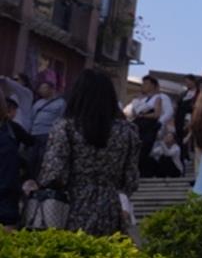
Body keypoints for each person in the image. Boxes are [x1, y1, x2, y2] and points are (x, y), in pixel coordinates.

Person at [26, 69, 139, 236]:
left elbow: (54, 174)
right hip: (110, 209)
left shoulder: (65, 127)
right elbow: (131, 181)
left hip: (70, 206)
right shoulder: (127, 131)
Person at [130, 75, 178, 178]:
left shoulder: (161, 97)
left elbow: (168, 112)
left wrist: (160, 123)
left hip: (153, 127)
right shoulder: (143, 99)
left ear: (153, 85)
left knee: (149, 151)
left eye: (146, 83)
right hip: (141, 127)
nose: (143, 86)